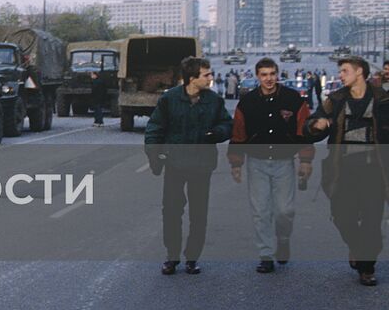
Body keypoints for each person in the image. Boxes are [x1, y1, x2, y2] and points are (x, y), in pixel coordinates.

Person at [145, 56, 233, 275]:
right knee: (172, 212)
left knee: (199, 213)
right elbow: (154, 129)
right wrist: (155, 157)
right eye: (207, 74)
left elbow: (227, 123)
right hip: (175, 164)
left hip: (202, 165)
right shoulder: (170, 99)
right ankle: (172, 256)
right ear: (192, 78)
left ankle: (192, 257)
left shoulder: (213, 100)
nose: (211, 78)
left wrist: (217, 133)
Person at [306, 55, 389, 286]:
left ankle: (367, 267)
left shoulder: (383, 99)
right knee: (343, 217)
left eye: (344, 70)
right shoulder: (335, 99)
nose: (340, 75)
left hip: (375, 169)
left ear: (359, 72)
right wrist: (317, 125)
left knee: (372, 220)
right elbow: (312, 124)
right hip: (343, 169)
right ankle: (356, 247)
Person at [227, 57, 314, 273]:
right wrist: (236, 163)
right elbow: (238, 132)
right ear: (257, 76)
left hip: (284, 162)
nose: (269, 79)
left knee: (285, 210)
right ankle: (265, 254)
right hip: (257, 162)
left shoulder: (293, 99)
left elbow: (304, 130)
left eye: (272, 74)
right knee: (261, 211)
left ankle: (283, 239)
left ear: (278, 75)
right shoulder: (247, 103)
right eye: (264, 75)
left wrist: (305, 161)